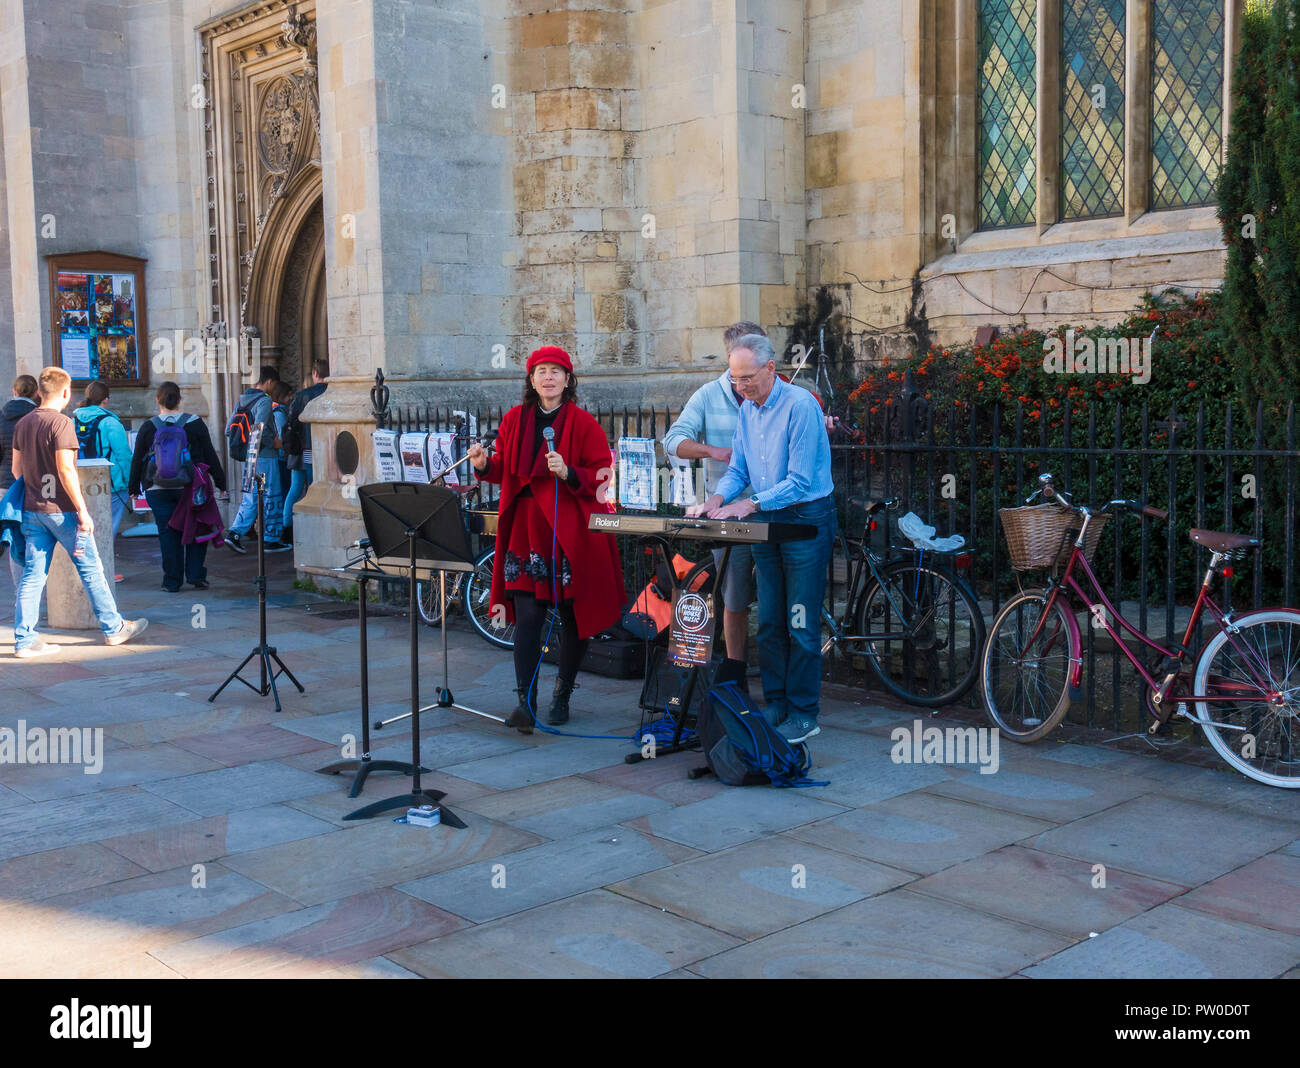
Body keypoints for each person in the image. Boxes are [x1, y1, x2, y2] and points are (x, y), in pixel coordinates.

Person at [466, 346, 626, 731]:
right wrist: (484, 464)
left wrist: (570, 472)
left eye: (556, 371)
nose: (549, 377)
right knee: (528, 616)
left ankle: (563, 692)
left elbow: (603, 476)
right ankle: (525, 702)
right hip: (525, 528)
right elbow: (503, 466)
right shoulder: (514, 420)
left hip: (567, 530)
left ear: (568, 380)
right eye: (541, 371)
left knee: (572, 614)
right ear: (531, 379)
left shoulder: (584, 424)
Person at [687, 334, 835, 743]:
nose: (741, 387)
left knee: (800, 621)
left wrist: (747, 505)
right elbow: (739, 469)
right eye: (735, 379)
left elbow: (800, 481)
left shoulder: (801, 405)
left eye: (748, 378)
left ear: (771, 368)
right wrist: (715, 500)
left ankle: (805, 713)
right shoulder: (747, 411)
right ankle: (777, 704)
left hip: (805, 518)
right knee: (769, 620)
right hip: (767, 518)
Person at [9, 366, 147, 658]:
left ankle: (24, 640)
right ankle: (113, 627)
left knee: (32, 576)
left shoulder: (23, 424)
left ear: (38, 392)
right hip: (62, 511)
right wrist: (83, 511)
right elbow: (65, 468)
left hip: (33, 509)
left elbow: (16, 470)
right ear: (65, 392)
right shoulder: (60, 424)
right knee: (91, 569)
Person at [663, 321, 769, 662]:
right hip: (729, 513)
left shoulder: (775, 391)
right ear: (731, 357)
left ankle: (774, 674)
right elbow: (673, 441)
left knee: (774, 599)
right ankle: (736, 672)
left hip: (773, 510)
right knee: (735, 599)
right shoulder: (709, 394)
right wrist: (714, 451)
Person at [128, 381, 228, 592]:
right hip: (189, 488)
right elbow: (210, 455)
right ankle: (196, 575)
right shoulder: (194, 423)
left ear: (158, 400)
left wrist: (134, 488)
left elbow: (137, 460)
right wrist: (221, 483)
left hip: (157, 489)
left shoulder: (149, 426)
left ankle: (172, 581)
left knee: (167, 533)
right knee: (195, 526)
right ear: (180, 400)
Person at [225, 366, 290, 553]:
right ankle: (271, 538)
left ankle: (235, 534)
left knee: (250, 497)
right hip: (265, 457)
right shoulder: (264, 401)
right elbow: (258, 429)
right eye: (274, 384)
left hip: (249, 458)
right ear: (269, 381)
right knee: (272, 493)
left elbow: (229, 429)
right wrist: (274, 443)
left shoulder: (242, 400)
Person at [72, 380, 132, 539]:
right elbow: (123, 455)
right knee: (106, 529)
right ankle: (102, 562)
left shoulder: (73, 421)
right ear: (106, 399)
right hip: (110, 483)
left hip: (81, 481)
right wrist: (129, 482)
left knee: (87, 526)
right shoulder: (111, 422)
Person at [281, 359, 328, 544]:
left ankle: (287, 529)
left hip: (298, 450)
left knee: (295, 488)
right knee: (316, 488)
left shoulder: (302, 395)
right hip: (316, 449)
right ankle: (315, 528)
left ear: (315, 374)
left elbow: (291, 423)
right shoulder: (329, 393)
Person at [1, 375, 38, 587]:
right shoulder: (39, 416)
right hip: (36, 483)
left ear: (14, 391)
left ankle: (21, 593)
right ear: (36, 393)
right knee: (38, 536)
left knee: (15, 538)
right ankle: (37, 589)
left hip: (6, 484)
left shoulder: (1, 416)